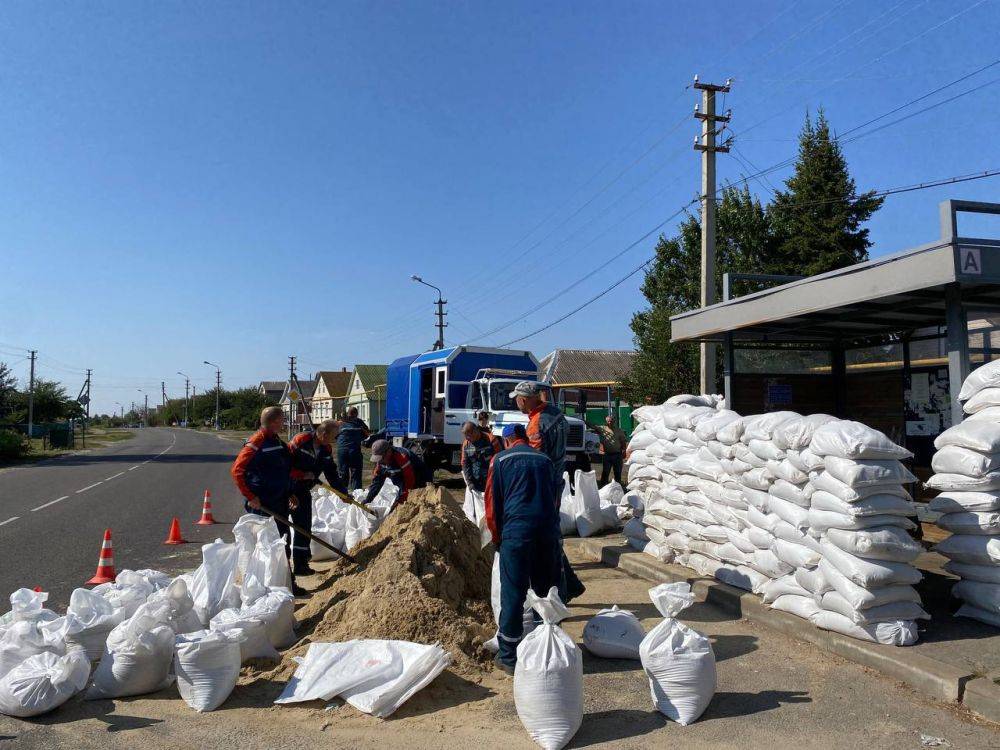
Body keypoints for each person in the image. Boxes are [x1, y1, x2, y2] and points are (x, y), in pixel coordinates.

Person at [484, 423, 562, 674]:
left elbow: (492, 504)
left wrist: (497, 538)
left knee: (513, 594)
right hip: (547, 533)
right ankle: (546, 649)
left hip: (516, 534)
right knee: (544, 591)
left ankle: (508, 657)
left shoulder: (500, 460)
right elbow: (555, 498)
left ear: (507, 440)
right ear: (524, 438)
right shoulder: (545, 460)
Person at [511, 380, 585, 602]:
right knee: (550, 535)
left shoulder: (536, 425)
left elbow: (533, 461)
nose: (516, 402)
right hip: (555, 481)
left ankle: (561, 591)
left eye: (517, 398)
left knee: (547, 539)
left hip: (542, 488)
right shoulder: (557, 414)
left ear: (524, 399)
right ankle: (570, 585)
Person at [231, 406, 305, 597]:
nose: (284, 423)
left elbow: (282, 470)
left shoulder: (276, 441)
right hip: (263, 505)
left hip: (279, 501)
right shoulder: (257, 442)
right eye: (282, 420)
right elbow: (237, 471)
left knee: (281, 544)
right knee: (265, 547)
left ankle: (286, 583)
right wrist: (251, 496)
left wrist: (290, 491)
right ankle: (259, 589)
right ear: (274, 422)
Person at [288, 419, 348, 575]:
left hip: (303, 490)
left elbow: (332, 475)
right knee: (286, 529)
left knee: (304, 527)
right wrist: (300, 476)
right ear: (323, 433)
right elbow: (282, 466)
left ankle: (301, 565)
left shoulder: (326, 450)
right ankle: (284, 567)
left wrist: (343, 493)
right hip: (288, 489)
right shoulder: (300, 441)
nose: (335, 440)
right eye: (334, 436)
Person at [365, 438, 419, 505]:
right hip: (404, 478)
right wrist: (368, 499)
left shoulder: (401, 458)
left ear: (388, 452)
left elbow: (409, 482)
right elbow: (377, 482)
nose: (379, 461)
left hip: (419, 479)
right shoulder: (381, 462)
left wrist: (400, 501)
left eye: (381, 458)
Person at [460, 421, 502, 493]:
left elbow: (500, 459)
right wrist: (469, 482)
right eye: (465, 436)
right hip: (476, 480)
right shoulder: (466, 444)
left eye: (468, 435)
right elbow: (465, 463)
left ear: (475, 431)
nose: (467, 438)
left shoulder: (491, 439)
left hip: (492, 479)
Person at [336, 406, 370, 491]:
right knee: (356, 473)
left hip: (342, 451)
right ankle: (356, 493)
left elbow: (335, 436)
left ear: (348, 413)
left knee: (342, 473)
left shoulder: (340, 423)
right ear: (356, 414)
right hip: (354, 450)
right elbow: (367, 435)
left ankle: (343, 494)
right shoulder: (359, 422)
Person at [591, 414, 628, 486]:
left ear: (614, 422)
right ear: (606, 422)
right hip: (607, 455)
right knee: (605, 472)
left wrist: (624, 451)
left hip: (617, 455)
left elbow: (623, 442)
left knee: (617, 472)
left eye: (611, 421)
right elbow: (592, 426)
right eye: (608, 421)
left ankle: (618, 486)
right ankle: (603, 486)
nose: (609, 423)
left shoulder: (619, 430)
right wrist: (583, 420)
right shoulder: (602, 429)